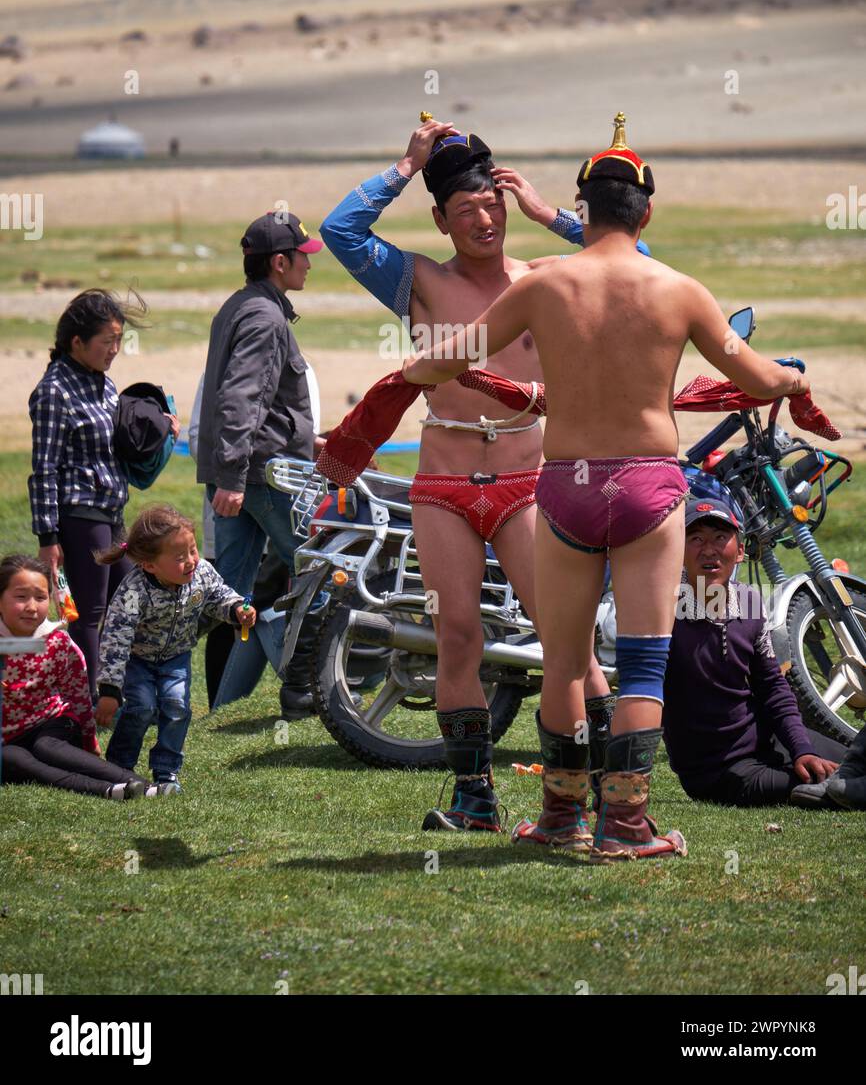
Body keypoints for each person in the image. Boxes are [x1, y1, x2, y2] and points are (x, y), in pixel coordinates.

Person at [403, 112, 816, 859]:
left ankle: (560, 817)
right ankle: (623, 824)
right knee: (642, 661)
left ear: (582, 210)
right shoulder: (679, 289)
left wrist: (413, 373)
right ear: (647, 212)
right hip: (649, 485)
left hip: (560, 483)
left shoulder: (546, 285)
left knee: (560, 659)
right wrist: (791, 377)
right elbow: (754, 377)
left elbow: (448, 356)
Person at [321, 116, 625, 833]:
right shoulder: (418, 281)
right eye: (467, 211)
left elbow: (627, 254)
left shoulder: (546, 281)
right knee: (455, 635)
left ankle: (609, 792)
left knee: (565, 640)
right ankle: (475, 799)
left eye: (493, 205)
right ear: (440, 218)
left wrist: (550, 213)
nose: (485, 220)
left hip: (526, 484)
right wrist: (404, 164)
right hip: (444, 485)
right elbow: (339, 232)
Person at [195, 211, 328, 717]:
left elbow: (253, 406)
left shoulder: (240, 306)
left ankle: (221, 703)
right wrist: (233, 476)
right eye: (302, 257)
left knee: (229, 591)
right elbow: (240, 398)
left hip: (241, 471)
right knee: (321, 567)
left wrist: (306, 438)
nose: (308, 266)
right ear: (279, 262)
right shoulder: (266, 318)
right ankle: (303, 688)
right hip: (261, 476)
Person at [28, 288, 176, 702]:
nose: (115, 350)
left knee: (128, 601)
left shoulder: (102, 384)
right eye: (106, 341)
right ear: (77, 342)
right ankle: (89, 703)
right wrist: (48, 538)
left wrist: (160, 433)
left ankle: (121, 692)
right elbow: (43, 469)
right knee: (90, 616)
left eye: (118, 340)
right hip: (79, 517)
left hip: (111, 514)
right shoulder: (53, 392)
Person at [663, 493, 847, 806]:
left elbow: (773, 688)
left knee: (854, 761)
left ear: (741, 551)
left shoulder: (749, 602)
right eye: (695, 538)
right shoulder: (663, 612)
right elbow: (641, 695)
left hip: (769, 740)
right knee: (833, 787)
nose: (709, 550)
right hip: (719, 771)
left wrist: (802, 748)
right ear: (677, 551)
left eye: (721, 537)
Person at [94, 505, 255, 792]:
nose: (192, 561)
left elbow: (220, 596)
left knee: (177, 706)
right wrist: (109, 689)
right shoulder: (133, 591)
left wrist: (236, 610)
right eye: (180, 557)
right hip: (137, 660)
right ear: (150, 565)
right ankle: (119, 765)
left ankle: (166, 772)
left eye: (192, 550)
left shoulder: (202, 572)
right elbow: (116, 639)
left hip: (176, 657)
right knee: (142, 708)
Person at [0, 554, 149, 799]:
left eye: (40, 597)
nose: (31, 606)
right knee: (12, 759)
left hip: (51, 724)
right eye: (20, 597)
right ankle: (110, 791)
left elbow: (78, 695)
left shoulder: (58, 643)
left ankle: (140, 784)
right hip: (8, 741)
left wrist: (90, 740)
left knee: (47, 747)